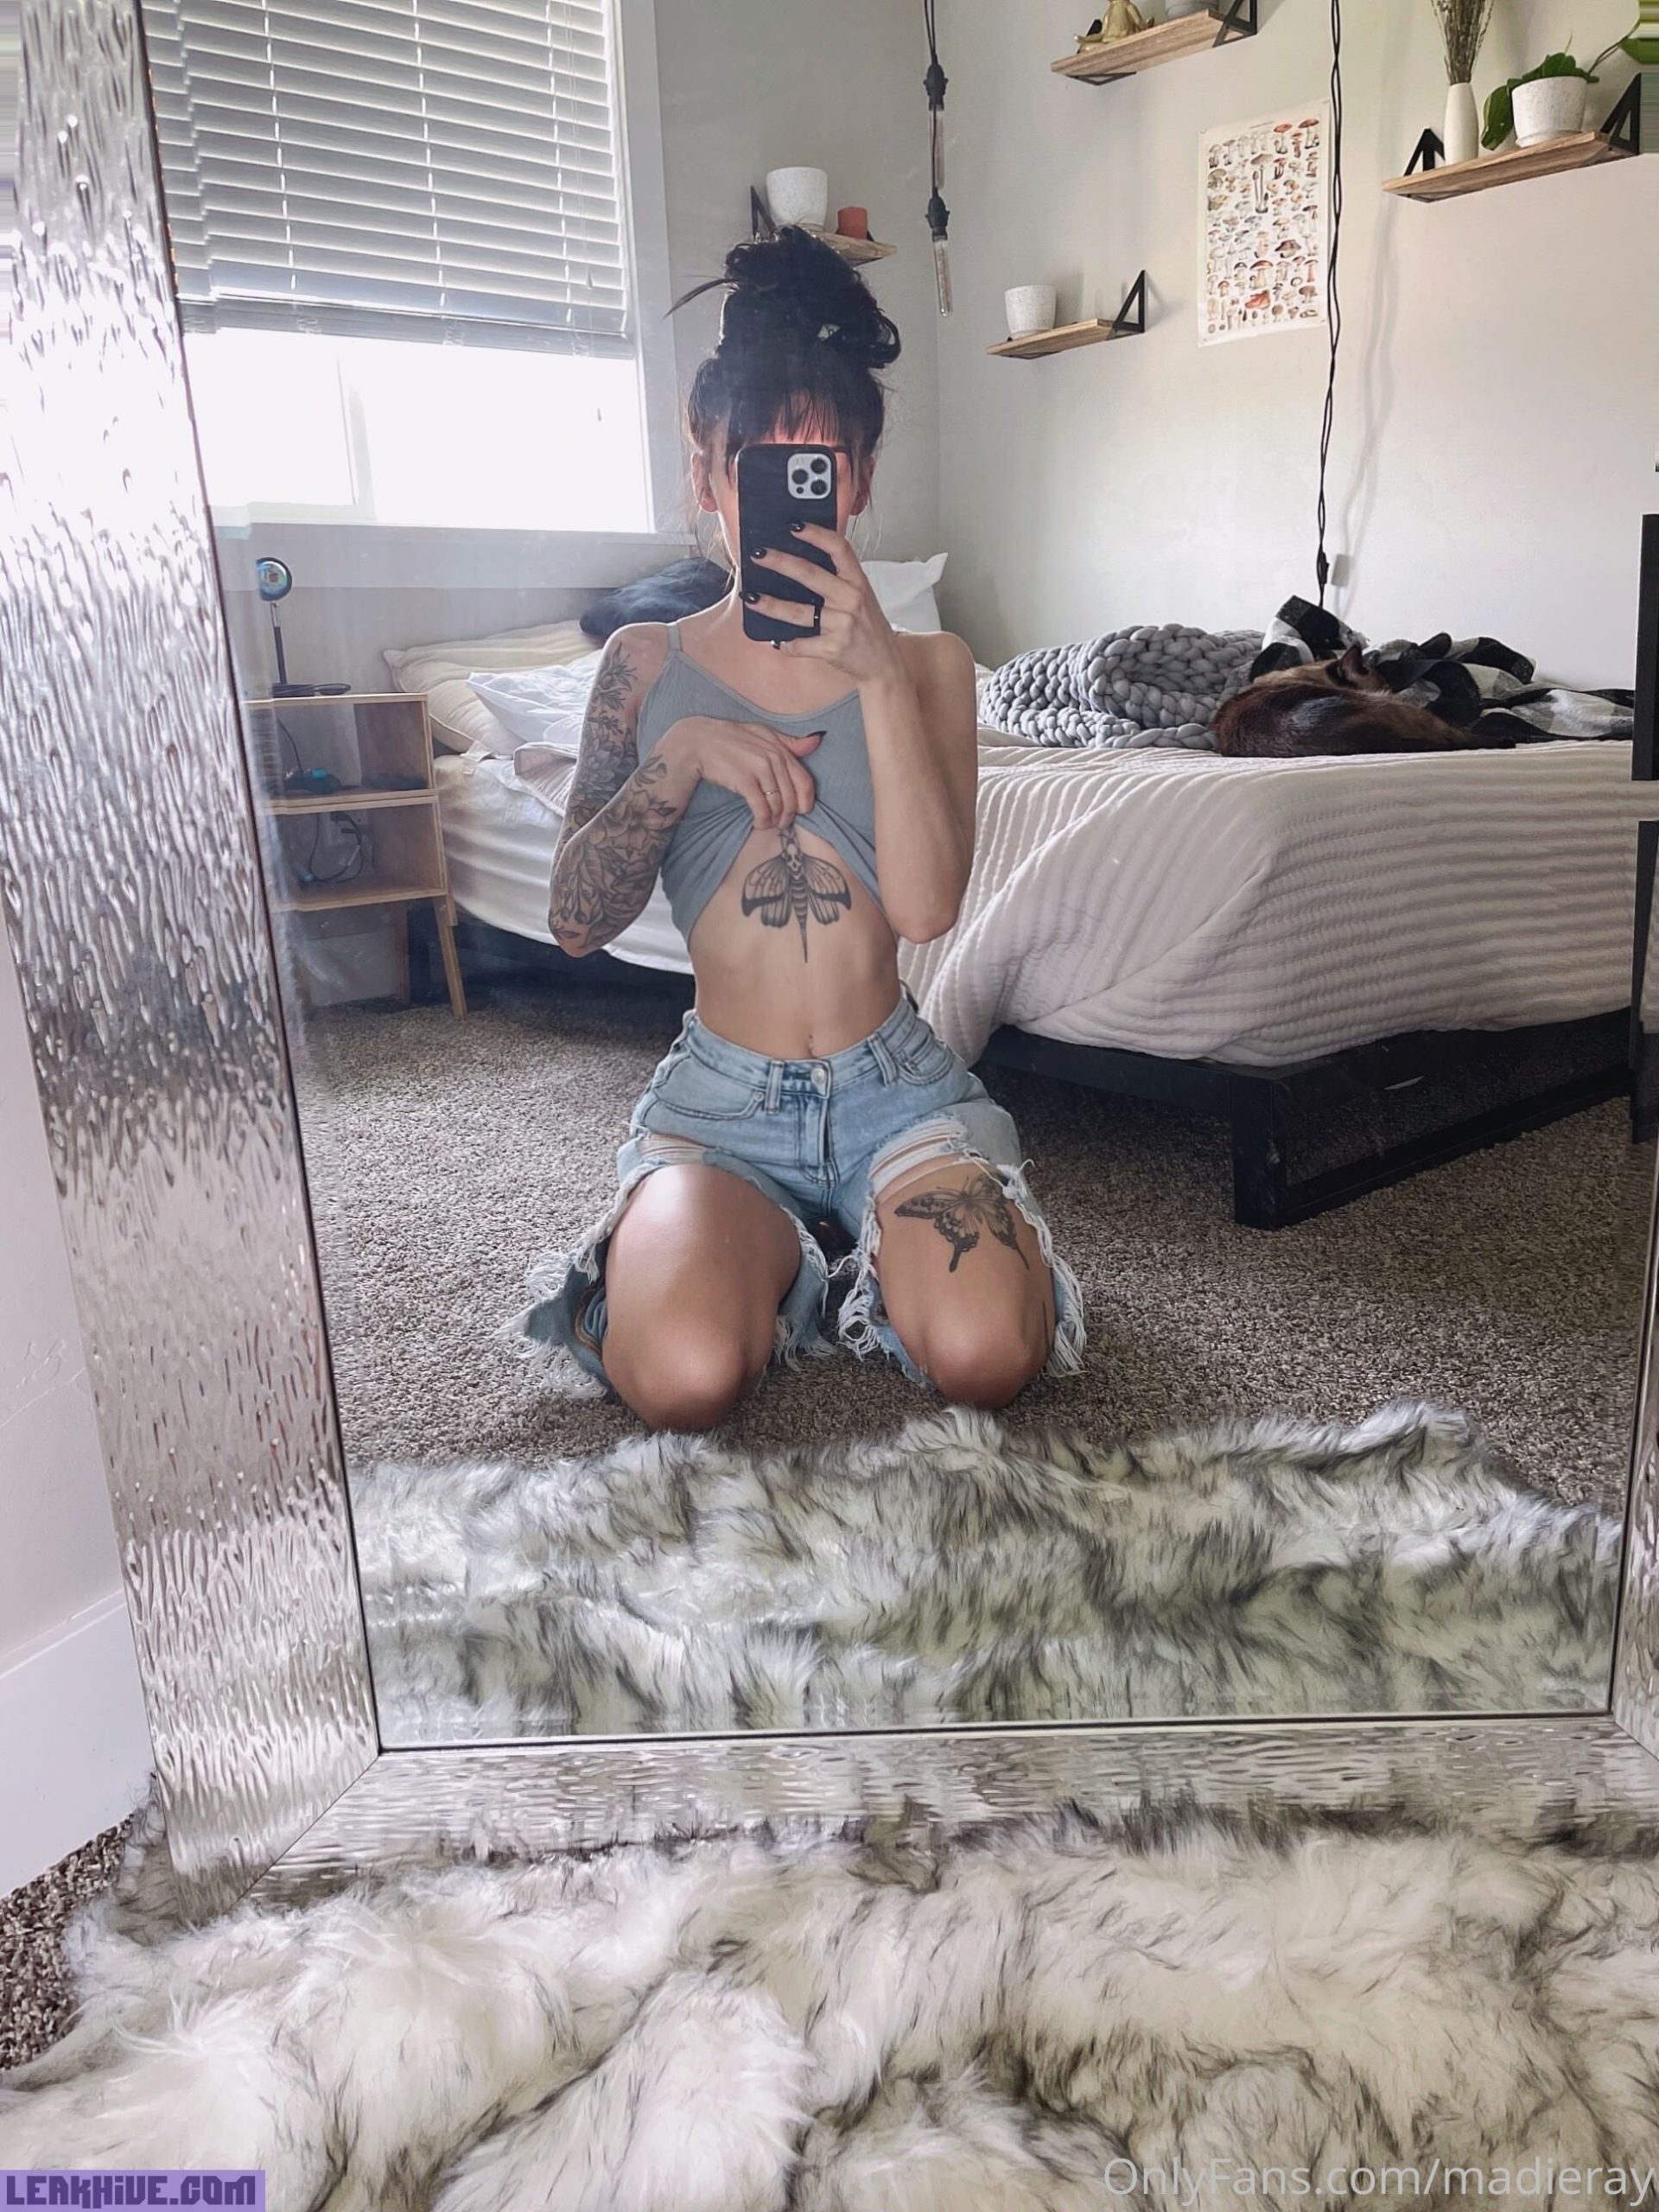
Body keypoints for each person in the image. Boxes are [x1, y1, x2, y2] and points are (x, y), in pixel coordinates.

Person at [516, 227, 1083, 1431]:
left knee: (988, 1356)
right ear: (709, 477)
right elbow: (573, 921)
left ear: (860, 481)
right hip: (720, 1103)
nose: (785, 497)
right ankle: (762, 1254)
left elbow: (926, 908)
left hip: (897, 1088)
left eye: (818, 468)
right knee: (683, 1378)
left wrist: (875, 679)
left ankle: (865, 1256)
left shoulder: (933, 665)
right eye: (756, 468)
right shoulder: (645, 664)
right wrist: (679, 758)